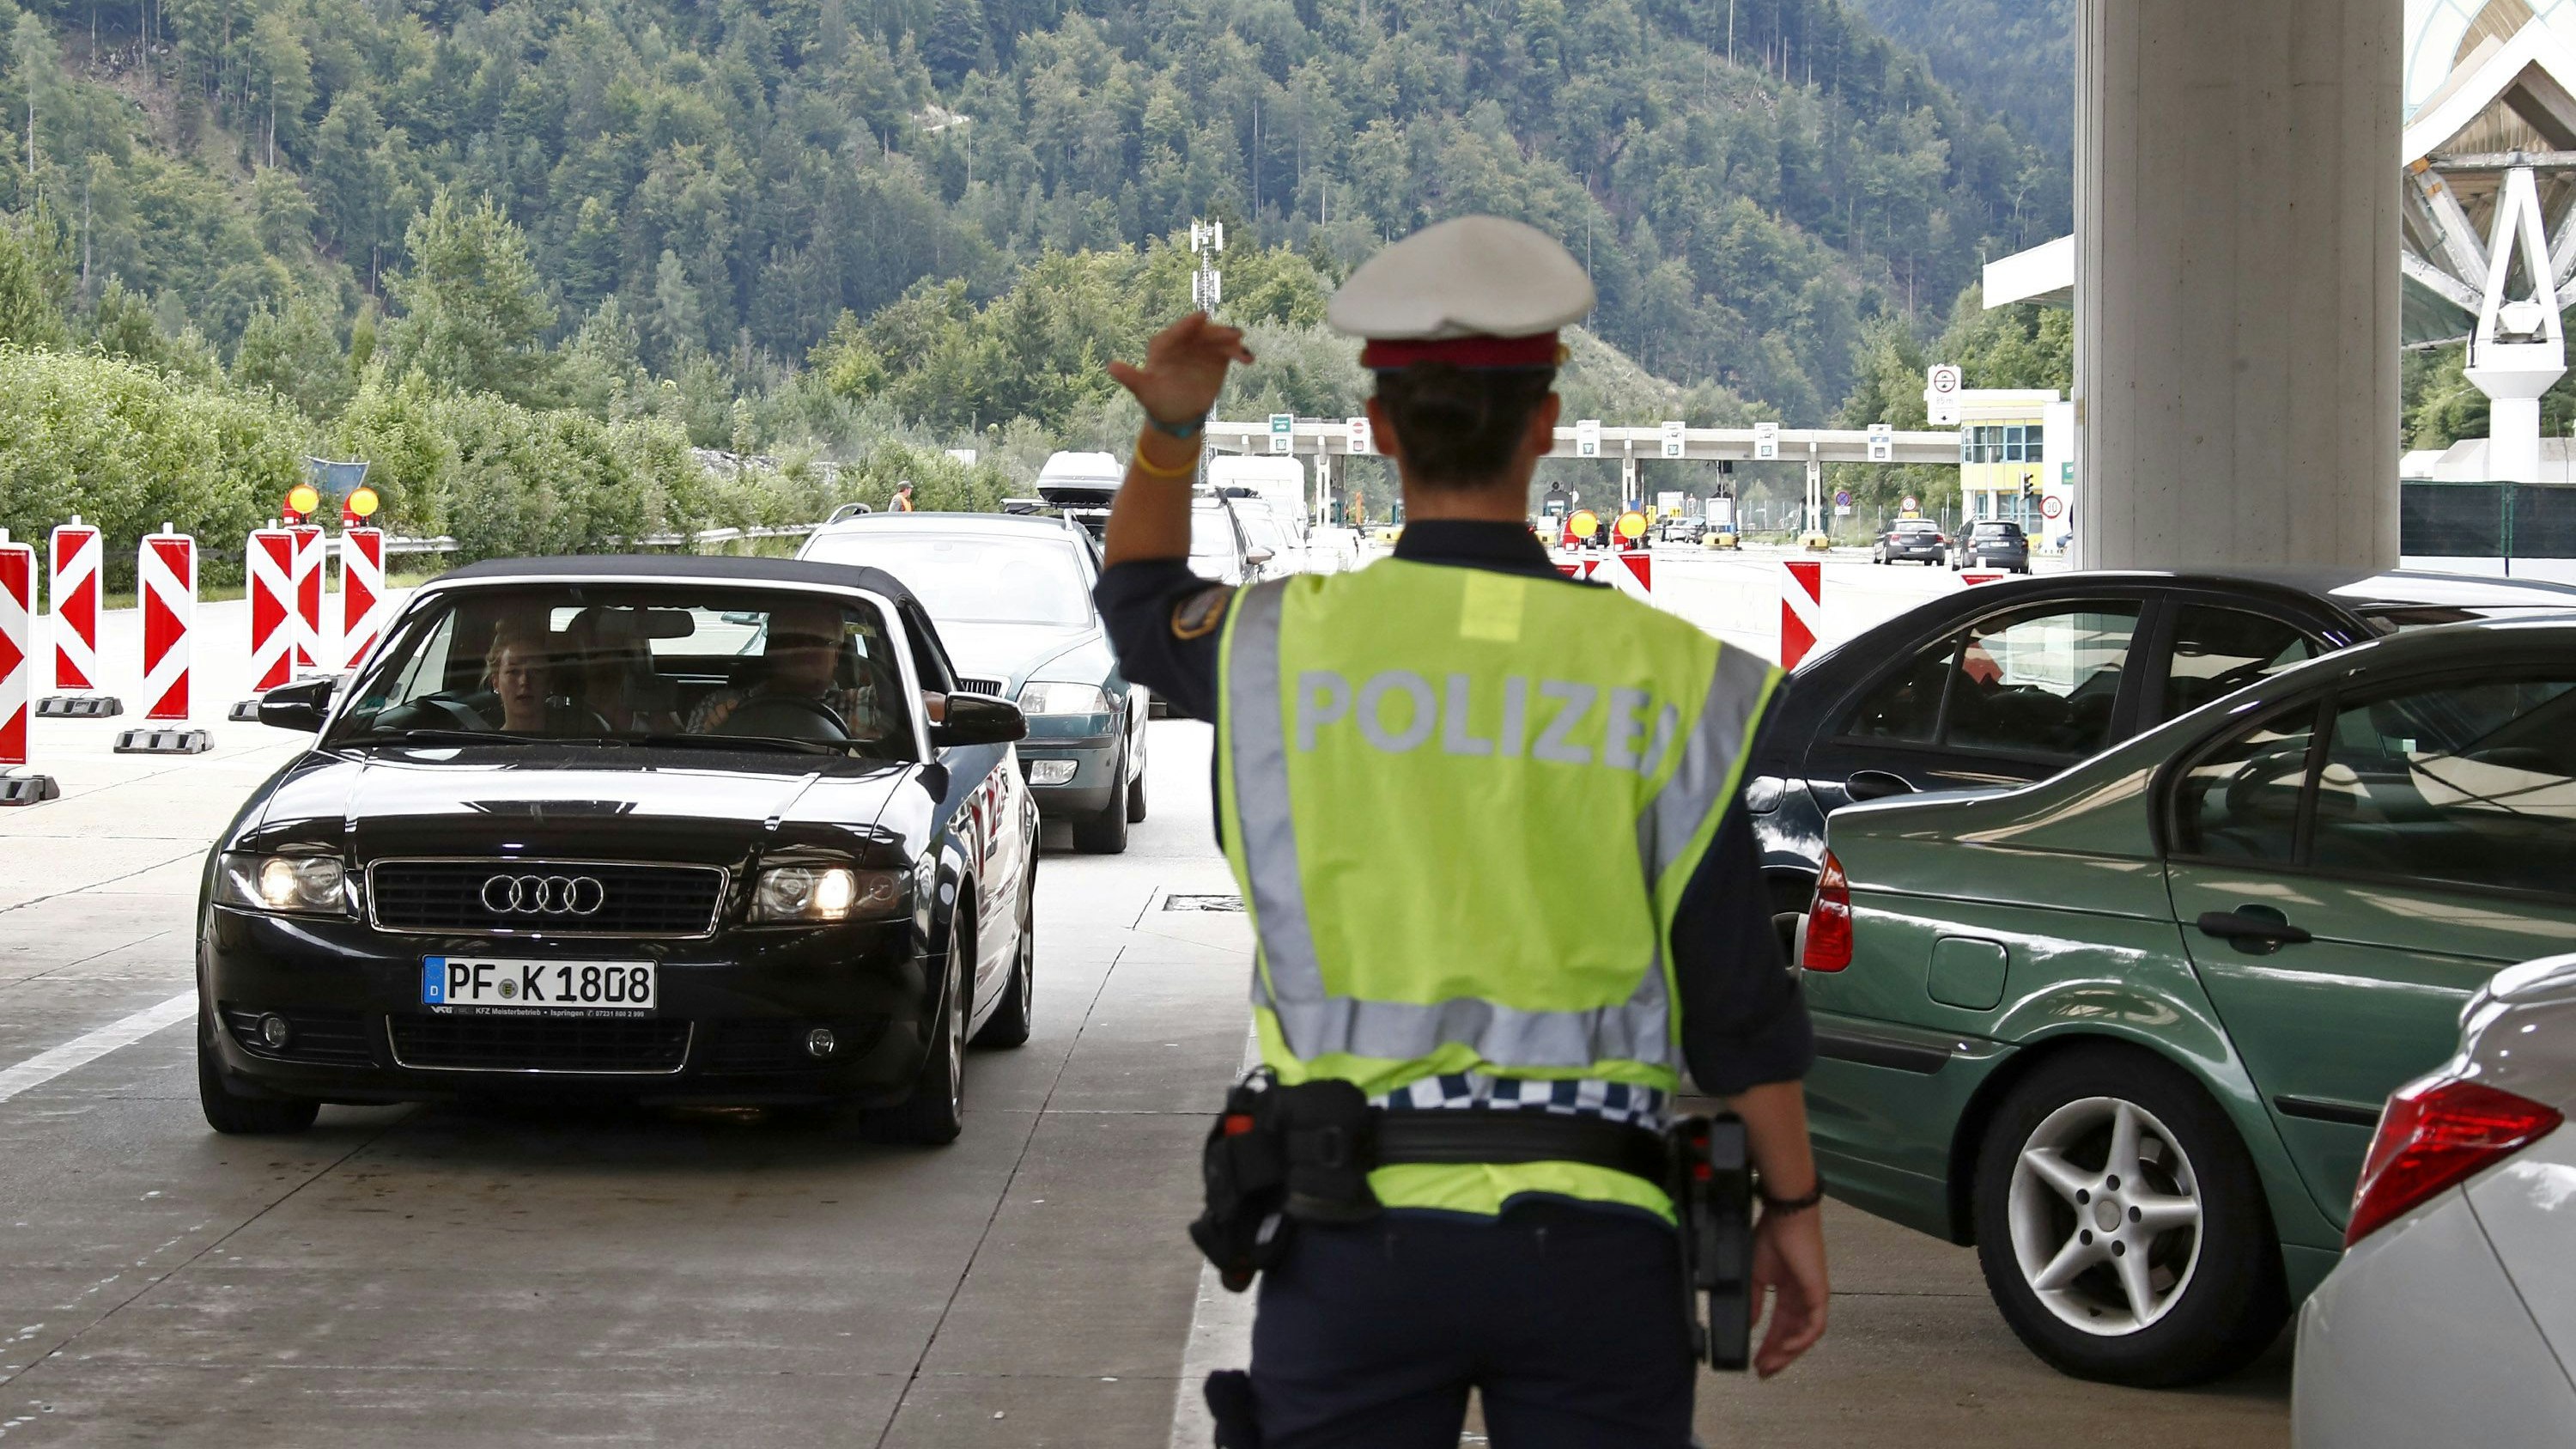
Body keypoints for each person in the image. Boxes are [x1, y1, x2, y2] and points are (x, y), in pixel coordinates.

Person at [1094, 215, 1830, 1448]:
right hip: (1599, 1248)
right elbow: (1735, 991)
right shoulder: (1671, 676)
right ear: (1546, 422)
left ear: (1379, 428)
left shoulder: (1281, 644)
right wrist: (1793, 1200)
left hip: (1352, 1232)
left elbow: (1136, 605)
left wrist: (1173, 427)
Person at [483, 617, 554, 733]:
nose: (524, 681)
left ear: (550, 682)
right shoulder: (476, 742)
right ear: (495, 682)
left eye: (535, 670)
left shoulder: (581, 740)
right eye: (513, 672)